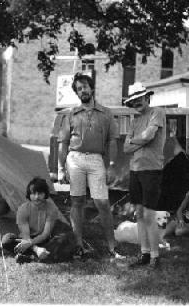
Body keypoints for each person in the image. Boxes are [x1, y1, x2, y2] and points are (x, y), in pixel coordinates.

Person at [57, 72, 122, 258]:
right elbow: (63, 143)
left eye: (84, 86)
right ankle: (78, 246)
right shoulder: (71, 114)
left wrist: (111, 166)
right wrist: (61, 168)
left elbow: (112, 141)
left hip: (96, 159)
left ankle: (112, 247)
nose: (82, 90)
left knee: (102, 202)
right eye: (78, 89)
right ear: (77, 93)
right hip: (75, 158)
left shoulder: (106, 113)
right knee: (77, 201)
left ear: (91, 88)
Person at [123, 82, 166, 269]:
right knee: (139, 213)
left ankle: (156, 257)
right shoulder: (134, 121)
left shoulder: (157, 113)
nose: (137, 102)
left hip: (152, 170)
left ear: (147, 97)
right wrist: (138, 141)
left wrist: (134, 141)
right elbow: (125, 148)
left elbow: (149, 136)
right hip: (135, 171)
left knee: (149, 215)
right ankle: (144, 254)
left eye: (139, 98)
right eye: (133, 100)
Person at [1, 177, 77, 264]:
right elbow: (25, 236)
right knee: (7, 240)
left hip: (46, 239)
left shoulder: (51, 209)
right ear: (29, 195)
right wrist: (35, 248)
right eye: (33, 193)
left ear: (45, 194)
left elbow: (45, 234)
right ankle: (39, 254)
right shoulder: (23, 209)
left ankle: (31, 257)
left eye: (40, 193)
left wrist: (32, 244)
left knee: (64, 238)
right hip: (29, 239)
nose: (37, 197)